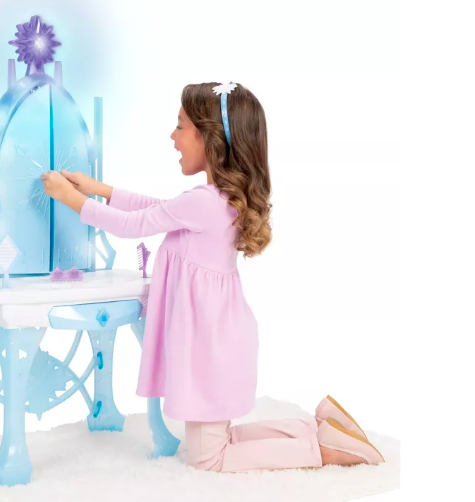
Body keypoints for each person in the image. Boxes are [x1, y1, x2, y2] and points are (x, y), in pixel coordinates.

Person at [40, 82, 385, 472]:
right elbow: (158, 209)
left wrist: (71, 198)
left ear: (210, 139)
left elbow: (132, 224)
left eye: (180, 126)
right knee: (220, 441)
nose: (173, 137)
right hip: (217, 337)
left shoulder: (203, 202)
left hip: (207, 343)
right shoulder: (216, 200)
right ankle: (317, 428)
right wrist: (100, 189)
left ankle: (325, 451)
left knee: (209, 458)